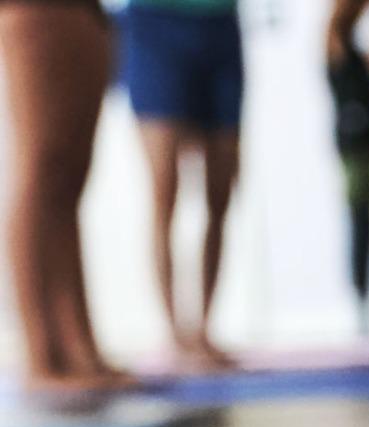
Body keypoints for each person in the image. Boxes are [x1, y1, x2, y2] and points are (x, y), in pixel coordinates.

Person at [0, 0, 130, 391]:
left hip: (83, 11)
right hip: (38, 9)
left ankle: (79, 349)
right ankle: (42, 358)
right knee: (42, 174)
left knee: (67, 184)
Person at [122, 0, 243, 369]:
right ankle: (174, 334)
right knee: (164, 189)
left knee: (221, 192)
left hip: (219, 23)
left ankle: (204, 330)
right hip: (154, 24)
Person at [326, 0, 369, 333]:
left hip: (365, 147)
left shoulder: (356, 55)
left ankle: (363, 293)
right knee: (359, 218)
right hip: (353, 149)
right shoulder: (337, 50)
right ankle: (358, 295)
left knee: (365, 220)